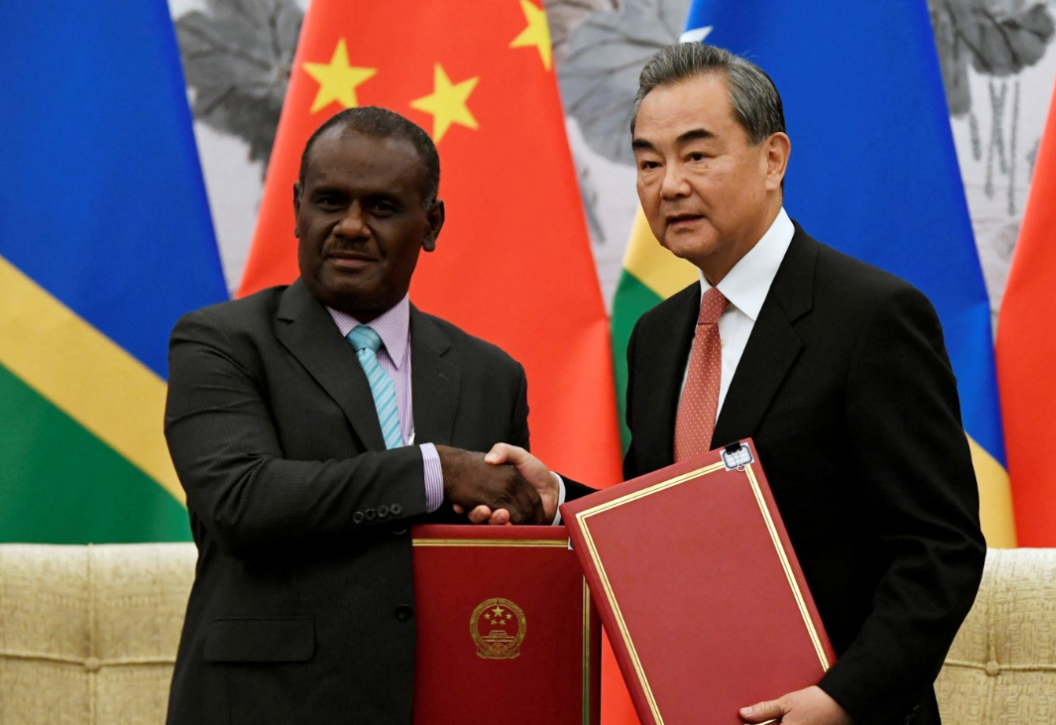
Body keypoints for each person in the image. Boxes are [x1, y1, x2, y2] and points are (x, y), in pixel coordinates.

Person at [486, 43, 986, 725]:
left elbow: (940, 550)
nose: (669, 186)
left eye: (697, 155)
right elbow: (673, 526)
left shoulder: (872, 317)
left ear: (773, 158)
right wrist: (557, 498)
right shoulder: (657, 337)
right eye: (648, 162)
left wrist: (842, 699)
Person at [163, 107, 577, 725]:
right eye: (330, 202)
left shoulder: (491, 374)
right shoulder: (220, 341)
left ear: (431, 223)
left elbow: (501, 559)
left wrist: (520, 509)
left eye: (381, 208)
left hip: (442, 703)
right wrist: (436, 471)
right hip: (267, 707)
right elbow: (241, 501)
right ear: (298, 210)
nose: (351, 227)